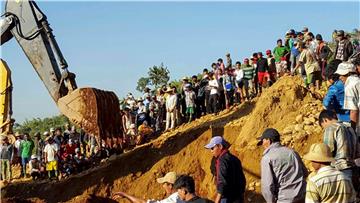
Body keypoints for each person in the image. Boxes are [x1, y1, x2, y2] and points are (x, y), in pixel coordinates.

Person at [257, 128, 307, 203]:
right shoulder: (292, 152)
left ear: (269, 140)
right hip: (301, 197)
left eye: (263, 141)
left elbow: (267, 187)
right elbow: (305, 173)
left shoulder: (267, 158)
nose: (262, 144)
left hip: (284, 199)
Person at [318, 110, 360, 187]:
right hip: (353, 170)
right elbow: (357, 153)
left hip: (340, 171)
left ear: (325, 120)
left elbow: (327, 151)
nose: (324, 129)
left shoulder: (331, 128)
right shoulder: (350, 128)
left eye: (323, 126)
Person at [204, 136, 246, 203]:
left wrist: (217, 201)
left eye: (212, 148)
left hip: (227, 198)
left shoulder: (221, 161)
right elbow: (242, 179)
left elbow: (222, 183)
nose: (211, 151)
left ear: (220, 146)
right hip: (238, 197)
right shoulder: (235, 159)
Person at [112, 171, 184, 203]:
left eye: (164, 183)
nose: (163, 186)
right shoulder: (184, 196)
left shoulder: (173, 200)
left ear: (170, 185)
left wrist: (124, 194)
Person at [335, 62, 360, 134]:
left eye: (342, 75)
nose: (340, 77)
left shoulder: (349, 86)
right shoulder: (357, 80)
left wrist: (353, 131)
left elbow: (353, 111)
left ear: (348, 74)